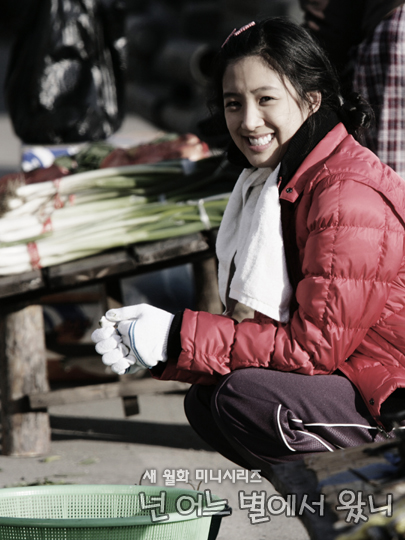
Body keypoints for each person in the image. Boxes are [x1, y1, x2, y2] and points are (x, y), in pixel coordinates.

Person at [92, 18, 405, 480]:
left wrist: (176, 336)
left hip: (391, 393)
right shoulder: (281, 181)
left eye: (266, 100)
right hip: (359, 374)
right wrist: (160, 345)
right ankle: (343, 509)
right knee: (207, 401)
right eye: (234, 103)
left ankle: (375, 496)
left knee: (245, 398)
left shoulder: (345, 194)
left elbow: (312, 350)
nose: (249, 122)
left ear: (311, 99)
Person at [300, 0, 405, 178]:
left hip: (394, 35)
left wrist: (309, 69)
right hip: (390, 30)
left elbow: (330, 19)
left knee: (388, 179)